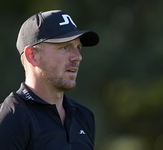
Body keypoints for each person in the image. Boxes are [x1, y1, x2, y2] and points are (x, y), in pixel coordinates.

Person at [0, 10, 99, 150]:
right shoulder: (11, 118)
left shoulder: (84, 116)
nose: (78, 57)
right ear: (32, 56)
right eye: (64, 47)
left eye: (78, 47)